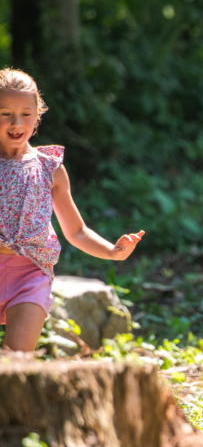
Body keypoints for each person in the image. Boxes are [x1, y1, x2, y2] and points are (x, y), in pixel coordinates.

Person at [0, 68, 145, 352]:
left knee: (16, 360)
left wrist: (112, 251)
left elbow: (77, 231)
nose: (17, 122)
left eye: (26, 114)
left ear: (38, 114)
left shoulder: (49, 167)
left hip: (31, 274)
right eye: (5, 113)